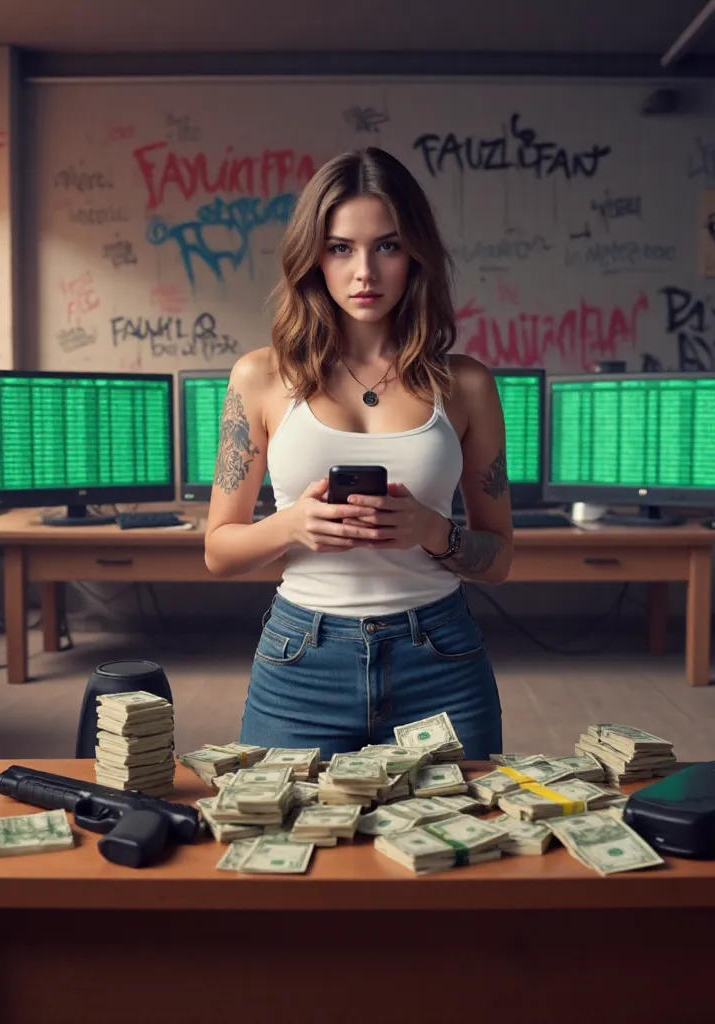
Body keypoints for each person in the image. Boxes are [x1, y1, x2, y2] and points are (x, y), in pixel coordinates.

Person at [203, 146, 514, 761]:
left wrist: (432, 531)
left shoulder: (467, 383)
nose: (364, 271)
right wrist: (291, 524)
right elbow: (219, 551)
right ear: (313, 256)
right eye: (341, 247)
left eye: (388, 246)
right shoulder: (258, 378)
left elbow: (498, 558)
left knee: (463, 842)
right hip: (301, 657)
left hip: (440, 654)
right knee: (283, 842)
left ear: (416, 255)